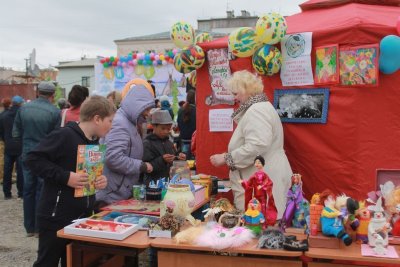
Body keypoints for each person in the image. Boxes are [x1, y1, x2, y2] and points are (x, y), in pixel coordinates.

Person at [25, 95, 115, 267]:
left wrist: (98, 180)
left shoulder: (93, 142)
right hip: (55, 216)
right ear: (97, 118)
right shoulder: (64, 135)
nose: (112, 126)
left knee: (74, 262)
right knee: (47, 262)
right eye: (110, 121)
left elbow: (85, 174)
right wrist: (66, 176)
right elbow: (32, 159)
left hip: (81, 216)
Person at [210, 70, 292, 220]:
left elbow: (257, 146)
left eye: (236, 94)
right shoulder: (261, 107)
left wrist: (227, 158)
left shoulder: (257, 110)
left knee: (259, 226)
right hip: (265, 177)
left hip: (262, 181)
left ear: (246, 91)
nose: (235, 99)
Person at [13, 81, 61, 237]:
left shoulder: (23, 108)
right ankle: (40, 227)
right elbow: (55, 139)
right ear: (52, 95)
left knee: (28, 189)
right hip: (44, 156)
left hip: (27, 153)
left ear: (38, 92)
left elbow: (16, 133)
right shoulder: (54, 112)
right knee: (42, 190)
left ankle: (30, 228)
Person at [96, 84, 155, 207]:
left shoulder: (129, 122)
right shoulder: (120, 124)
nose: (148, 113)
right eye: (147, 109)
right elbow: (113, 158)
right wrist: (141, 166)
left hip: (119, 191)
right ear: (137, 105)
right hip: (112, 194)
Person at [143, 110, 186, 185]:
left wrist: (179, 157)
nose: (166, 131)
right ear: (154, 126)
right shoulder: (147, 143)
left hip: (167, 182)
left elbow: (173, 159)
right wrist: (162, 160)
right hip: (153, 184)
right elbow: (146, 167)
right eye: (163, 128)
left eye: (168, 129)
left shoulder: (168, 142)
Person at [240, 155, 277, 227]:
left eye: (259, 162)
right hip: (256, 195)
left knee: (262, 208)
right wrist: (243, 182)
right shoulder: (254, 175)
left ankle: (263, 224)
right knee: (255, 208)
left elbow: (269, 182)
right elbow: (249, 183)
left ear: (263, 164)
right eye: (256, 162)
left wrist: (262, 185)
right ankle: (254, 223)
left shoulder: (264, 175)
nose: (257, 164)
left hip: (263, 196)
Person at [0, 96, 24, 199]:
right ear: (20, 103)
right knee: (21, 171)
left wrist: (5, 140)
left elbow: (0, 132)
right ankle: (21, 193)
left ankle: (7, 193)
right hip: (20, 145)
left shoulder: (3, 115)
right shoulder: (23, 114)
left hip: (8, 146)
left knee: (7, 170)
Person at [177, 90, 196, 159]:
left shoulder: (180, 110)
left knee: (184, 163)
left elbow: (178, 125)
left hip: (183, 140)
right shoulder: (197, 110)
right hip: (194, 142)